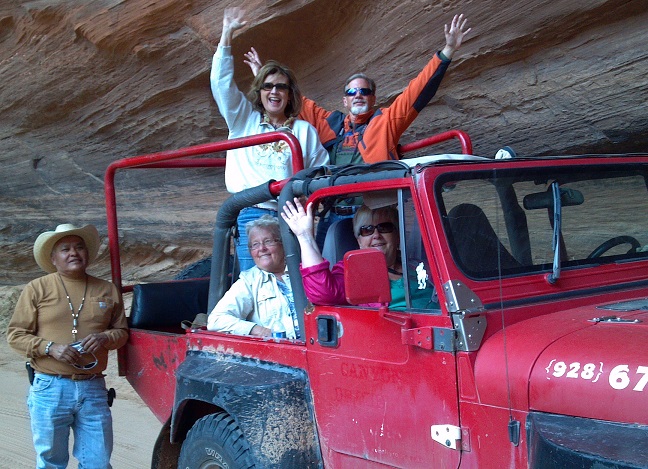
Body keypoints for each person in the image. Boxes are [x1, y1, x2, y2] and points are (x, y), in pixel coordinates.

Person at [246, 14, 471, 247]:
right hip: (333, 211)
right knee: (322, 264)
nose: (359, 96)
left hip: (373, 214)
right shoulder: (330, 122)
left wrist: (447, 52)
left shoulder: (385, 120)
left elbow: (418, 92)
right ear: (345, 100)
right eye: (352, 93)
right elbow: (291, 98)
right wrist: (262, 75)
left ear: (373, 98)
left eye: (364, 91)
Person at [211, 7, 329, 271]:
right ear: (260, 91)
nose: (274, 91)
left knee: (295, 279)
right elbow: (221, 85)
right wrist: (226, 35)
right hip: (251, 212)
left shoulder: (303, 131)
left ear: (290, 94)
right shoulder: (244, 120)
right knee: (257, 281)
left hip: (289, 216)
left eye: (281, 87)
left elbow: (319, 172)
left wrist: (306, 200)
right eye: (268, 86)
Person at [6, 223, 128, 469]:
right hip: (50, 387)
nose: (74, 253)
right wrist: (50, 348)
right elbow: (15, 335)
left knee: (98, 462)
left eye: (79, 247)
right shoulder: (37, 288)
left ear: (87, 254)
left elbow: (122, 333)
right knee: (51, 461)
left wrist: (104, 338)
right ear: (53, 258)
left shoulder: (106, 289)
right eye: (65, 249)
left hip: (93, 387)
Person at [282, 198, 434, 310]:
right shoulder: (354, 270)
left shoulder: (417, 264)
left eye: (384, 227)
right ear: (359, 240)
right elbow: (323, 293)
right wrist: (304, 236)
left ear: (397, 235)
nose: (376, 235)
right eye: (367, 230)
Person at [207, 215, 300, 339]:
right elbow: (216, 320)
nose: (261, 248)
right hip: (278, 353)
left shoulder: (303, 270)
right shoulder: (249, 281)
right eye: (255, 245)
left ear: (283, 243)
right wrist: (261, 331)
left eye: (268, 241)